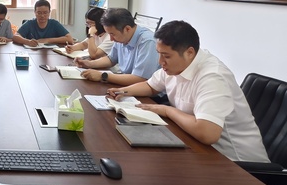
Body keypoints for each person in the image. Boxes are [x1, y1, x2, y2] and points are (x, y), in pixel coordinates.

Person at [107, 20, 269, 163]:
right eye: (159, 54)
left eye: (166, 56)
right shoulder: (175, 65)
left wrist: (168, 111)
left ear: (189, 52)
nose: (160, 61)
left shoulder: (213, 77)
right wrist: (123, 91)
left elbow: (207, 133)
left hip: (237, 163)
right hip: (197, 146)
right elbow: (150, 86)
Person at [75, 7, 159, 86]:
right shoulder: (122, 36)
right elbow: (111, 59)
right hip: (127, 83)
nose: (111, 39)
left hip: (147, 91)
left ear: (127, 29)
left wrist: (103, 76)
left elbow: (140, 79)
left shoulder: (148, 42)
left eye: (112, 34)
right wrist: (89, 64)